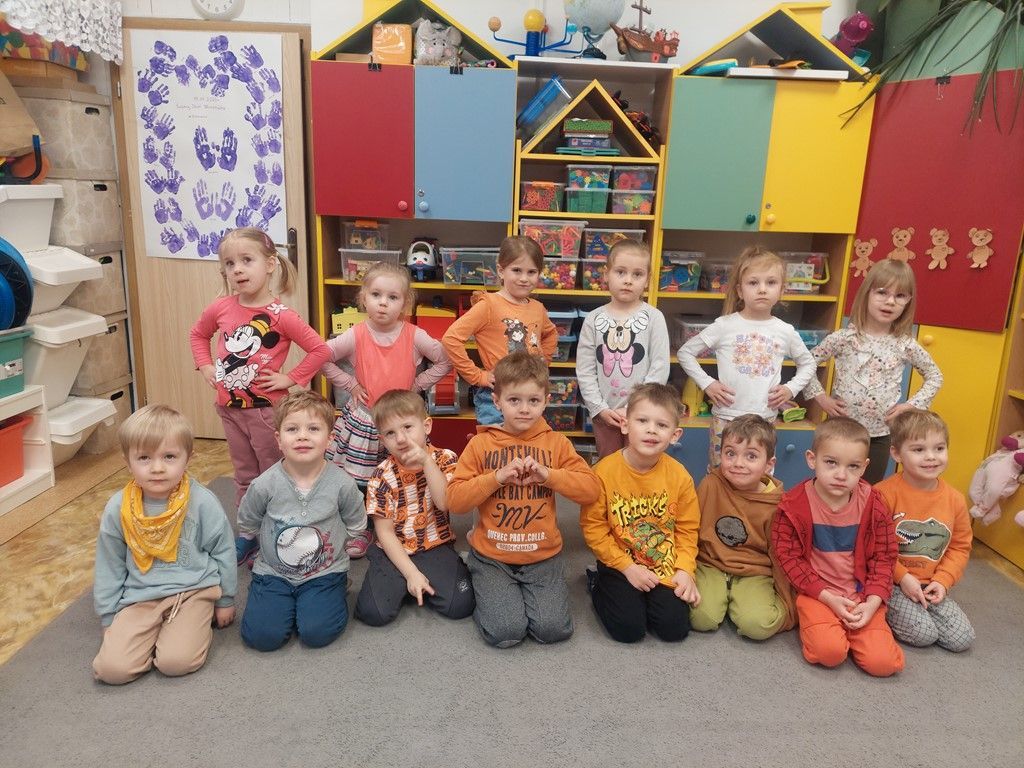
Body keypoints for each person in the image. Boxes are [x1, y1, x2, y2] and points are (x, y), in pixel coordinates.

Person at [447, 350, 602, 647]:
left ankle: (512, 593)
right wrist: (495, 478)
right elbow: (455, 501)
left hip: (543, 556)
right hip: (493, 557)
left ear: (546, 401)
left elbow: (591, 490)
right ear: (497, 401)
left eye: (533, 401)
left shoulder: (557, 443)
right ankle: (478, 572)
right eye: (514, 400)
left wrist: (550, 475)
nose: (524, 409)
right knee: (506, 632)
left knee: (552, 631)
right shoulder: (480, 444)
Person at [92, 405, 236, 685]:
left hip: (193, 591)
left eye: (169, 456)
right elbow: (109, 563)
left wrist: (226, 599)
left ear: (188, 458)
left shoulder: (202, 502)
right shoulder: (118, 508)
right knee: (112, 670)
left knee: (175, 662)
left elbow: (223, 550)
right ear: (127, 462)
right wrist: (109, 616)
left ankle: (186, 629)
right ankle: (149, 638)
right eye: (144, 458)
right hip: (139, 597)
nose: (157, 468)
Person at [190, 227, 330, 506]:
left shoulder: (282, 316)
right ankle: (249, 522)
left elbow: (320, 350)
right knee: (243, 473)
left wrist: (290, 379)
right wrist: (205, 366)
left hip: (266, 411)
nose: (237, 269)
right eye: (230, 263)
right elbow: (198, 334)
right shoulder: (220, 308)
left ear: (269, 264)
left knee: (272, 471)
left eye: (246, 260)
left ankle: (279, 518)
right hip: (229, 408)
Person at [321, 260, 452, 557]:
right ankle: (360, 528)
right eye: (376, 295)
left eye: (392, 297)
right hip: (366, 421)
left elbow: (446, 360)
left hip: (400, 426)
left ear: (405, 303)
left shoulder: (414, 335)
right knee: (361, 481)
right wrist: (349, 383)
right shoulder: (355, 334)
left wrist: (417, 384)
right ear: (363, 298)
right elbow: (321, 356)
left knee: (403, 475)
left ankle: (398, 521)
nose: (383, 303)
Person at [771, 416, 905, 677]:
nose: (841, 475)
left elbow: (885, 556)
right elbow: (788, 558)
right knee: (829, 653)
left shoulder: (874, 503)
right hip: (817, 594)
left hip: (862, 595)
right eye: (831, 462)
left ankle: (857, 630)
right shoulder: (792, 505)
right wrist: (826, 597)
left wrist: (873, 601)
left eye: (853, 466)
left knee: (883, 664)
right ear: (812, 459)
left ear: (864, 467)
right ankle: (828, 627)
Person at [235, 390, 366, 651]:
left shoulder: (343, 484)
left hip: (325, 572)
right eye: (292, 429)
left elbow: (356, 523)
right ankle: (272, 597)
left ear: (330, 439)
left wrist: (337, 551)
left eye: (313, 429)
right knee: (261, 638)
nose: (302, 436)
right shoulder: (264, 484)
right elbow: (248, 520)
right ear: (278, 439)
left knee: (317, 634)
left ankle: (336, 588)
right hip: (273, 572)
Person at [579, 383, 700, 643]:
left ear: (675, 435)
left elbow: (688, 530)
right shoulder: (603, 472)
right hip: (619, 562)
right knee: (628, 629)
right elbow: (594, 528)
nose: (651, 430)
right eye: (642, 421)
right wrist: (627, 567)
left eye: (662, 425)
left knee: (674, 629)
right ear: (625, 425)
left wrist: (685, 570)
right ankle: (596, 582)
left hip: (662, 561)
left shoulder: (680, 477)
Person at [803, 260, 942, 484]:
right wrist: (821, 398)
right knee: (833, 485)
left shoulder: (905, 344)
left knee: (868, 490)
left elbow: (935, 377)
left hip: (879, 436)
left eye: (900, 296)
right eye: (882, 292)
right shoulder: (844, 338)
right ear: (867, 293)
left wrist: (910, 406)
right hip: (840, 432)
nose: (890, 301)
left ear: (908, 301)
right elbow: (806, 364)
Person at [677, 246, 816, 468]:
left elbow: (808, 363)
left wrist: (791, 389)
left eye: (771, 282)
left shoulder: (785, 331)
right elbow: (685, 353)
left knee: (760, 475)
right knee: (720, 474)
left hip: (765, 420)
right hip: (726, 418)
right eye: (753, 282)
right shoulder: (725, 326)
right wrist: (708, 384)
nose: (762, 289)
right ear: (740, 290)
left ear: (782, 290)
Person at [354, 389, 475, 626]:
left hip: (435, 544)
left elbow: (444, 502)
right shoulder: (380, 476)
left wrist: (427, 462)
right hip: (394, 549)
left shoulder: (446, 459)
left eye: (408, 427)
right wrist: (410, 573)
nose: (401, 439)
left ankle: (424, 578)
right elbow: (385, 533)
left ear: (426, 426)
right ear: (382, 440)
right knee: (373, 613)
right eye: (390, 433)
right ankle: (409, 579)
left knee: (461, 605)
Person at [875, 409, 975, 651]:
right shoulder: (882, 494)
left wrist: (943, 581)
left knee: (962, 639)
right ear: (896, 453)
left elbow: (959, 547)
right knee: (923, 635)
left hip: (930, 583)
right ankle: (882, 610)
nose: (931, 457)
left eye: (939, 448)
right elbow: (875, 547)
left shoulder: (955, 499)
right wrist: (902, 577)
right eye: (919, 449)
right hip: (890, 580)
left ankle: (920, 608)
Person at [690, 414, 796, 639]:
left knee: (756, 625)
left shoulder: (777, 503)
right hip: (711, 564)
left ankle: (742, 602)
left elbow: (779, 554)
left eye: (751, 456)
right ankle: (724, 599)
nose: (738, 463)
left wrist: (789, 600)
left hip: (754, 572)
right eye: (730, 453)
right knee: (701, 618)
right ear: (720, 455)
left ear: (769, 465)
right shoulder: (710, 484)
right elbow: (691, 531)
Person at [442, 236, 558, 426]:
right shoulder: (489, 305)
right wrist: (477, 376)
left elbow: (551, 333)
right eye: (516, 270)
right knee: (496, 443)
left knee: (527, 442)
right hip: (496, 395)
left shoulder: (537, 308)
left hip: (531, 394)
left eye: (531, 272)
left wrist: (543, 362)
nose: (524, 278)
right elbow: (451, 339)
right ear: (501, 271)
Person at [576, 239, 670, 459]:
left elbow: (659, 367)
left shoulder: (654, 318)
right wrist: (599, 408)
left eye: (637, 274)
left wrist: (634, 408)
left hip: (643, 416)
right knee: (609, 465)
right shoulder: (593, 319)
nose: (628, 280)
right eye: (620, 272)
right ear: (606, 274)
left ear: (647, 280)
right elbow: (585, 370)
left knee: (641, 464)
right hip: (605, 415)